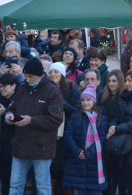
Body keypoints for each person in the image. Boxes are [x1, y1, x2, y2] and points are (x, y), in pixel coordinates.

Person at [6, 58, 64, 195]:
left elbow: (56, 119)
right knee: (15, 186)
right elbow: (12, 108)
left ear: (40, 75)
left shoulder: (52, 91)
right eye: (25, 76)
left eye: (30, 76)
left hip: (41, 148)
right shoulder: (22, 89)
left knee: (43, 187)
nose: (27, 79)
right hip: (20, 146)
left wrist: (31, 120)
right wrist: (9, 116)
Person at [63, 85, 108, 194]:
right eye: (83, 100)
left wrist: (88, 153)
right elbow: (68, 135)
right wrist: (78, 151)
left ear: (94, 101)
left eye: (88, 100)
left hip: (94, 163)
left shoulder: (101, 117)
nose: (85, 102)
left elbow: (102, 138)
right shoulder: (76, 115)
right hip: (77, 162)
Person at [48, 62, 81, 194]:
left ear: (61, 73)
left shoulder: (72, 89)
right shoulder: (46, 89)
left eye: (56, 72)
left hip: (67, 135)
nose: (53, 74)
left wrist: (63, 104)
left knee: (67, 172)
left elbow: (77, 112)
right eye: (51, 72)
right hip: (50, 134)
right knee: (53, 171)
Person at [98, 70, 124, 195]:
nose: (111, 84)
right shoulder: (103, 96)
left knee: (116, 173)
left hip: (118, 138)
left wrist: (113, 125)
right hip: (104, 135)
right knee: (106, 171)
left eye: (114, 81)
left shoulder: (123, 97)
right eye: (109, 81)